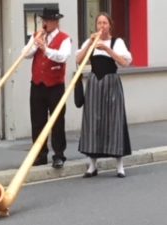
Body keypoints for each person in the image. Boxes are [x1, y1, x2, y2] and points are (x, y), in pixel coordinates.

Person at [76, 12, 132, 178]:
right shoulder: (91, 41)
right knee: (93, 121)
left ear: (110, 25)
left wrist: (107, 48)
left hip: (111, 83)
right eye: (99, 23)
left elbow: (124, 62)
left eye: (105, 23)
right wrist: (90, 45)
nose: (101, 26)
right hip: (94, 84)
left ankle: (120, 166)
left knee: (114, 121)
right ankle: (92, 165)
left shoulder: (117, 42)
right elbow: (78, 59)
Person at [22, 7, 71, 169]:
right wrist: (36, 44)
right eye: (44, 20)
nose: (45, 23)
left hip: (55, 85)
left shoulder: (65, 39)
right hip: (37, 84)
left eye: (48, 21)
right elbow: (25, 54)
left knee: (57, 121)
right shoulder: (37, 36)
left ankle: (59, 155)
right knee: (37, 121)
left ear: (56, 22)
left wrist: (45, 49)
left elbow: (62, 56)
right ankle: (40, 154)